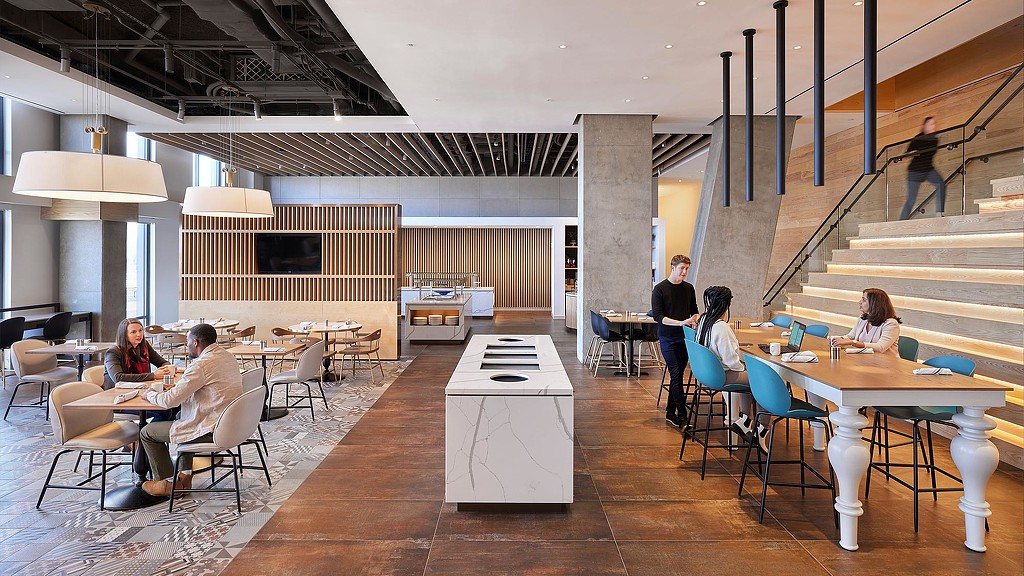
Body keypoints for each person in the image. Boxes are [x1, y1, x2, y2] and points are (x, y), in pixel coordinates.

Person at [140, 323, 243, 497]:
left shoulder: (201, 365)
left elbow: (169, 401)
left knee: (147, 432)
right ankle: (184, 477)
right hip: (231, 422)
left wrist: (148, 394)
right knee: (182, 416)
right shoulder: (227, 356)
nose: (186, 345)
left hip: (212, 428)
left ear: (195, 342)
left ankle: (168, 485)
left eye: (187, 342)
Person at [694, 286, 767, 453]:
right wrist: (744, 368)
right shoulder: (722, 327)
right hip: (722, 376)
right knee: (761, 380)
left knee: (749, 376)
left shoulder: (704, 320)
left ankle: (745, 420)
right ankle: (761, 430)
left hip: (708, 374)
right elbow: (732, 362)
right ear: (726, 305)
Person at [651, 254, 700, 428]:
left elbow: (695, 310)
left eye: (687, 268)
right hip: (667, 337)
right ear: (673, 268)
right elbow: (658, 317)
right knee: (677, 374)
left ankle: (671, 412)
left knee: (677, 375)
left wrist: (694, 318)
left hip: (685, 337)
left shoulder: (689, 288)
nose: (685, 272)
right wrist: (680, 322)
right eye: (682, 268)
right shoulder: (660, 289)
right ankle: (683, 416)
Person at [899, 116, 945, 220]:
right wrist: (912, 153)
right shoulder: (918, 139)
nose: (933, 126)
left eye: (934, 124)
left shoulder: (935, 140)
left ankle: (940, 213)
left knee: (941, 184)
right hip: (915, 171)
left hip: (928, 169)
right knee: (911, 199)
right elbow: (906, 155)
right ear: (925, 126)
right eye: (930, 124)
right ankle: (901, 222)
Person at [831, 288, 902, 355]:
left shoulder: (891, 324)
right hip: (865, 360)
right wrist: (839, 339)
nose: (860, 302)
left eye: (864, 300)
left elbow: (880, 347)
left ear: (874, 303)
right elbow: (851, 336)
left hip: (887, 364)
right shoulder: (862, 319)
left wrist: (853, 343)